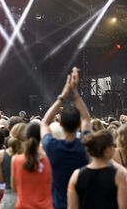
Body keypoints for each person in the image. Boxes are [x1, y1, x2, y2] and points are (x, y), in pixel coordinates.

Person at [41, 67, 91, 209]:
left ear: (60, 123)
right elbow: (87, 119)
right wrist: (75, 95)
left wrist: (63, 96)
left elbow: (44, 122)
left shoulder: (52, 147)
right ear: (79, 125)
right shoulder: (85, 145)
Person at [67, 130, 127, 209]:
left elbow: (72, 207)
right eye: (113, 145)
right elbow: (123, 206)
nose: (114, 148)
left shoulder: (76, 175)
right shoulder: (119, 176)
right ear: (107, 150)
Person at [11, 122, 53, 209]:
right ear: (41, 137)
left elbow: (14, 187)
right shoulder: (48, 160)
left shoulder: (15, 160)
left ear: (26, 136)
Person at [0, 123, 26, 209]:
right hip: (26, 197)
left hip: (9, 198)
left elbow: (1, 180)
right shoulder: (29, 155)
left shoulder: (1, 154)